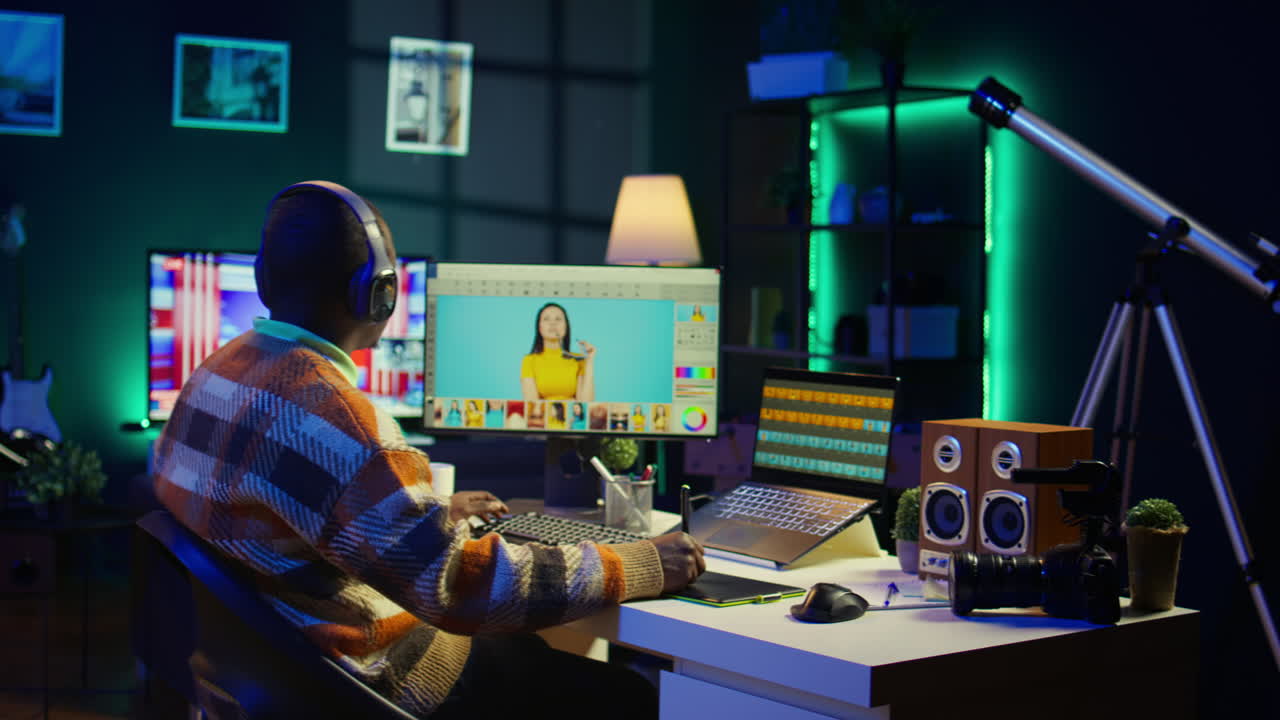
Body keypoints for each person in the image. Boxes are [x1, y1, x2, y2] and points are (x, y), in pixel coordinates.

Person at [150, 181, 704, 719]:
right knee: (633, 698)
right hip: (383, 686)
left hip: (274, 683)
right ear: (379, 293)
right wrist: (643, 562)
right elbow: (463, 586)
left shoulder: (211, 378)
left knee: (544, 662)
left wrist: (419, 515)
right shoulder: (343, 425)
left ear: (263, 277)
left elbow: (282, 523)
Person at [521, 302, 595, 401]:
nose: (553, 323)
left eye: (558, 319)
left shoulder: (578, 360)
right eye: (546, 319)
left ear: (566, 327)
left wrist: (589, 361)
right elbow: (532, 404)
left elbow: (586, 404)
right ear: (539, 328)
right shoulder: (529, 361)